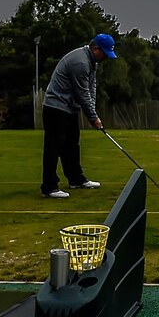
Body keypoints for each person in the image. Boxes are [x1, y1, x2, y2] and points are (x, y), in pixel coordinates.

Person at [40, 33, 116, 199]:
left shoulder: (92, 61)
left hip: (69, 108)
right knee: (54, 147)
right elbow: (82, 93)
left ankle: (76, 179)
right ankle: (49, 187)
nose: (105, 57)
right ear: (95, 48)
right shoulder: (80, 62)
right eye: (104, 53)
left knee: (72, 145)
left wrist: (92, 114)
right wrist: (93, 117)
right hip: (56, 107)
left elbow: (91, 87)